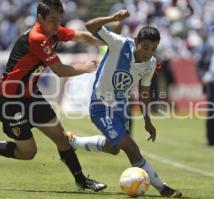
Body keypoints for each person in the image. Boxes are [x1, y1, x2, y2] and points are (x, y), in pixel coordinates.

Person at [0, 0, 107, 192]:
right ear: (39, 19)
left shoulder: (52, 31)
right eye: (53, 20)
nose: (57, 24)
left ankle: (81, 180)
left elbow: (83, 36)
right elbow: (60, 70)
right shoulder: (38, 38)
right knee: (28, 152)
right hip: (11, 101)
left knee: (61, 137)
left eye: (59, 19)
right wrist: (84, 68)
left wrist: (109, 42)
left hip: (32, 96)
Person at [67, 9, 182, 197]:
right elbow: (90, 26)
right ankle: (163, 188)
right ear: (137, 41)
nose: (148, 53)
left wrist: (147, 120)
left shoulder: (150, 64)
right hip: (100, 105)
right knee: (130, 147)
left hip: (122, 107)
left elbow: (144, 93)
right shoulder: (119, 43)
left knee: (114, 148)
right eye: (145, 47)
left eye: (153, 49)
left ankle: (74, 142)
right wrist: (113, 18)